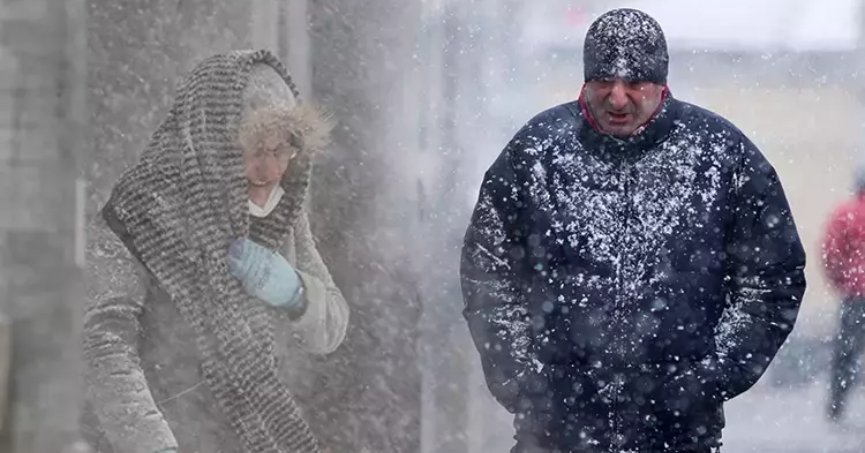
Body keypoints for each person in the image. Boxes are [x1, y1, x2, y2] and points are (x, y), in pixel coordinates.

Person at [460, 8, 806, 453]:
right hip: (553, 434)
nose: (617, 98)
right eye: (603, 81)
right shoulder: (536, 154)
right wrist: (524, 381)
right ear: (585, 81)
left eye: (635, 83)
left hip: (678, 435)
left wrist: (710, 377)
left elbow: (772, 279)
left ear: (661, 84)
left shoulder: (721, 157)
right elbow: (487, 271)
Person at [80, 50, 349, 453]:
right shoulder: (135, 216)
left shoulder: (282, 216)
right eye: (255, 149)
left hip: (250, 436)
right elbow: (104, 349)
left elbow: (332, 328)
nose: (271, 169)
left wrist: (294, 292)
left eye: (282, 150)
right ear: (210, 145)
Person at [822, 168, 865, 422]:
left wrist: (841, 281)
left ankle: (836, 405)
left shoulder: (845, 214)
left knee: (846, 354)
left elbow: (831, 252)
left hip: (856, 296)